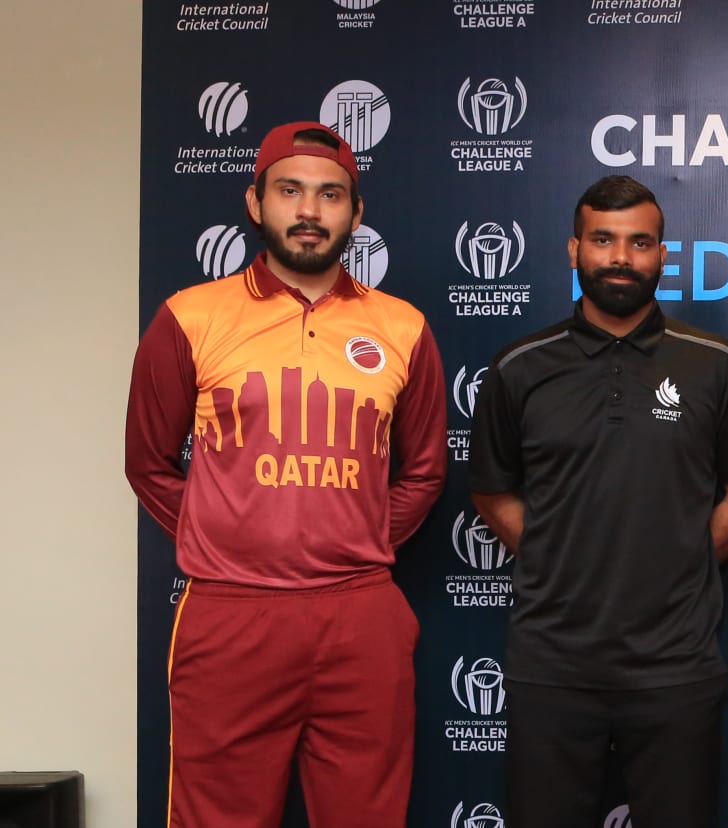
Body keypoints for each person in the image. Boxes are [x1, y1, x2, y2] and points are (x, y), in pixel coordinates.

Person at [125, 120, 446, 826]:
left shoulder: (403, 327)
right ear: (255, 202)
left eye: (331, 195)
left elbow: (424, 470)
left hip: (360, 610)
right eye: (290, 191)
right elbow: (148, 463)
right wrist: (231, 535)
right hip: (232, 613)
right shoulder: (191, 316)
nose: (309, 211)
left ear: (356, 213)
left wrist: (354, 540)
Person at [467, 175, 728, 827]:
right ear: (574, 249)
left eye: (639, 243)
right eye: (603, 240)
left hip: (676, 664)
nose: (621, 258)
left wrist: (683, 561)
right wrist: (555, 555)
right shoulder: (521, 366)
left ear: (662, 255)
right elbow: (490, 488)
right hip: (552, 663)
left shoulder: (715, 362)